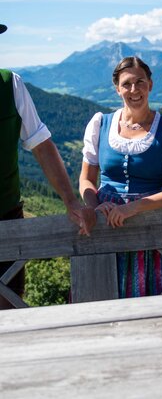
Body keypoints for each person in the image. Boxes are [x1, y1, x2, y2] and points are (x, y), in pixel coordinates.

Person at [79, 56, 162, 298]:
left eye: (140, 82)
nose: (134, 90)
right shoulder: (100, 124)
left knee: (154, 292)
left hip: (153, 223)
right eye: (127, 84)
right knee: (104, 295)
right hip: (105, 222)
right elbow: (86, 180)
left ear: (150, 85)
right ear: (117, 89)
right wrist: (96, 206)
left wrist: (134, 208)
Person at [0, 23, 92, 309]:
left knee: (10, 312)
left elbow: (42, 145)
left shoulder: (10, 84)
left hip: (6, 220)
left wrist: (70, 200)